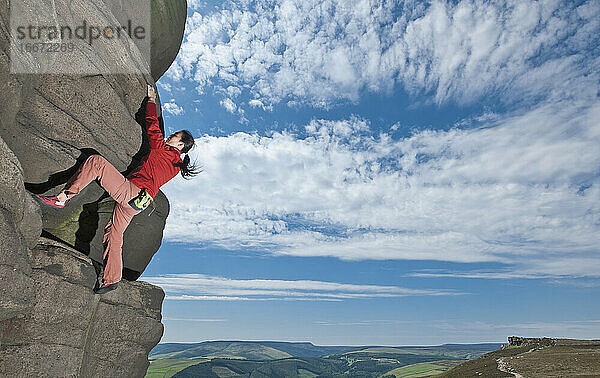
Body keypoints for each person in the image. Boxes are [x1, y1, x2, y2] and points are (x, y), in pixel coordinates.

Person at [35, 84, 199, 294]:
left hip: (131, 191)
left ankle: (63, 197)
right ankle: (112, 279)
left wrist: (150, 101)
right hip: (139, 203)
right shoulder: (176, 166)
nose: (171, 136)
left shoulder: (163, 151)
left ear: (180, 145)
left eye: (175, 135)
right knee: (113, 235)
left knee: (96, 162)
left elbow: (152, 127)